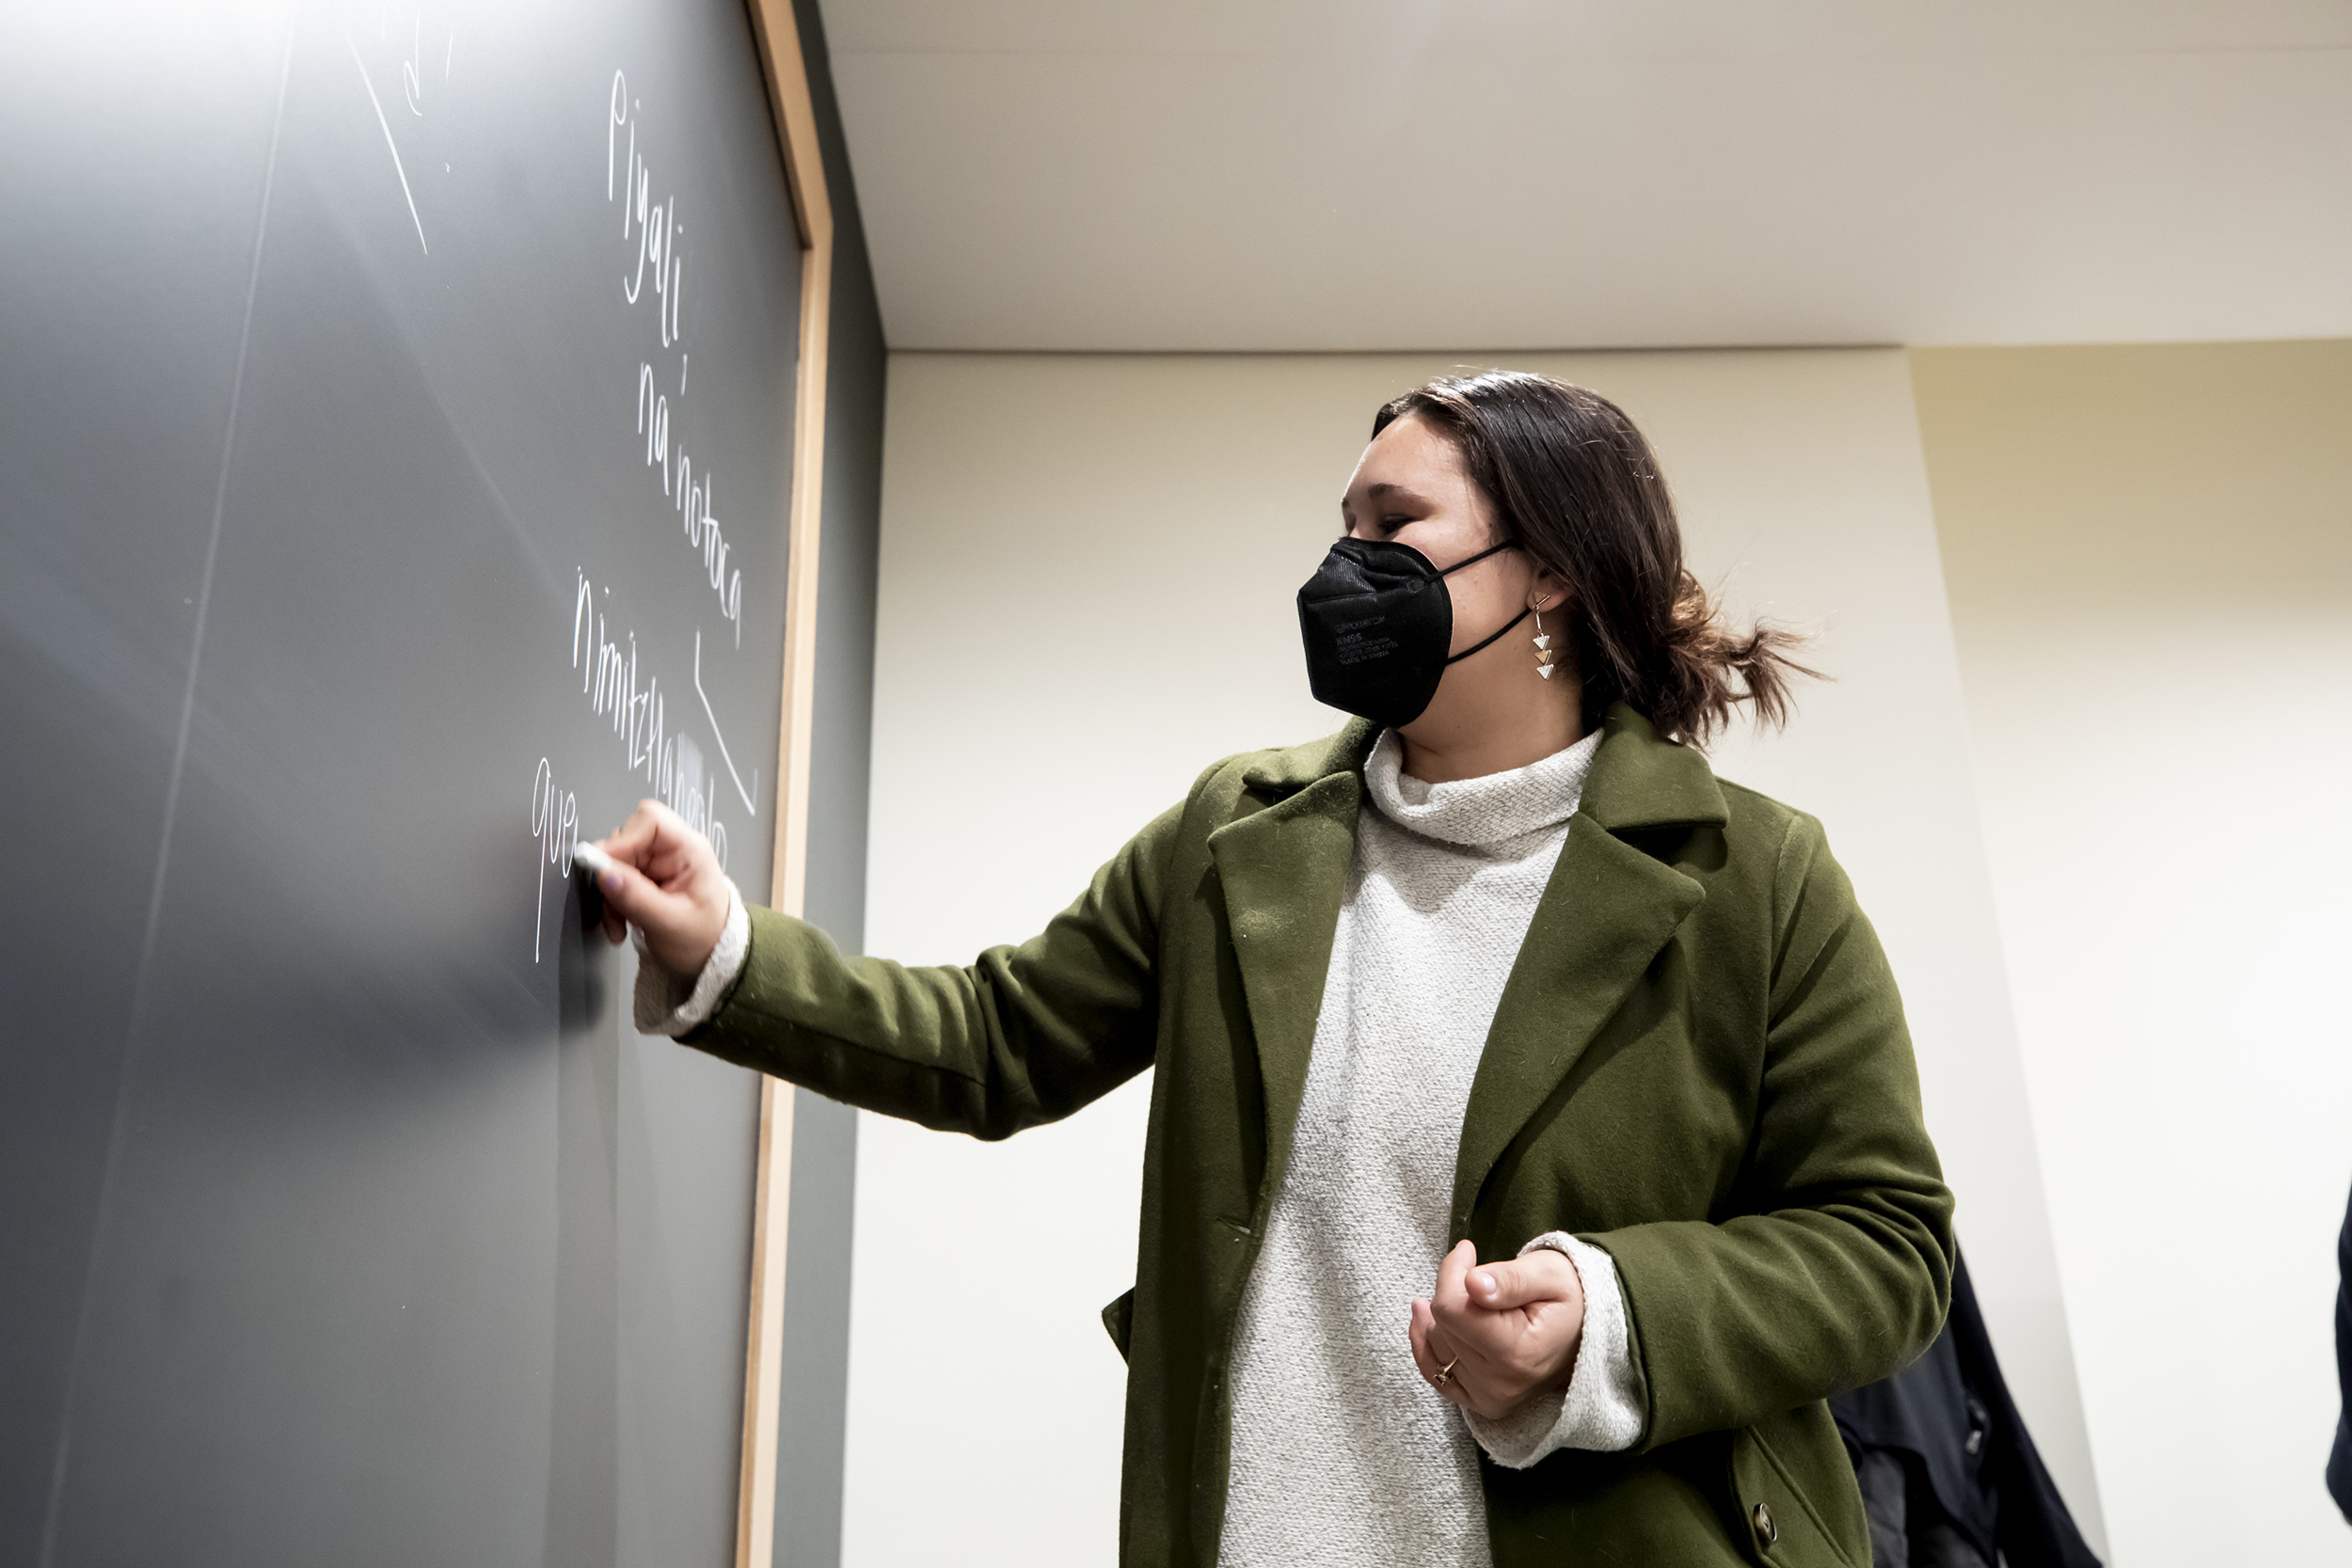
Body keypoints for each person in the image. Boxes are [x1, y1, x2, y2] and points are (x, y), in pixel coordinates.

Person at [591, 371, 1955, 1567]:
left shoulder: (1756, 878)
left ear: (1548, 571)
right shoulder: (1233, 833)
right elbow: (998, 1040)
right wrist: (731, 954)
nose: (1341, 565)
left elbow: (1885, 1245)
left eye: (1393, 527)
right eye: (1342, 526)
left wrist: (1608, 1314)